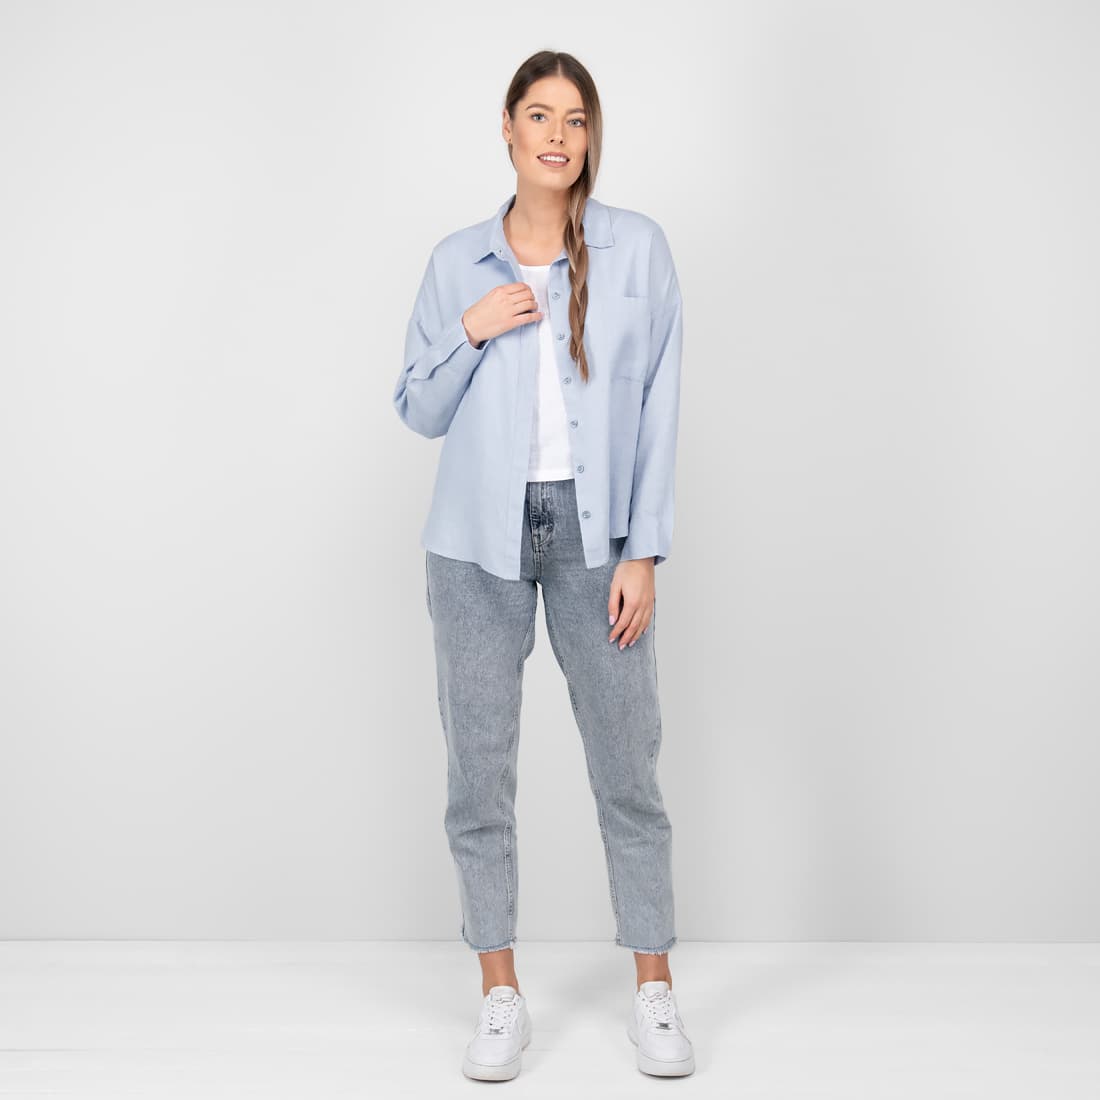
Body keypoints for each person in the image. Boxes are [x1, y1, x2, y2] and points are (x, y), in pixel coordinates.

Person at [393, 49, 693, 1081]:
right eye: (537, 115)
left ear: (589, 135)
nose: (556, 135)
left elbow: (660, 402)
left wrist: (642, 549)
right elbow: (416, 406)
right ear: (508, 129)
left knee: (627, 765)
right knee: (478, 774)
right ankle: (498, 992)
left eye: (574, 118)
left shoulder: (637, 250)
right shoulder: (456, 263)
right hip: (473, 539)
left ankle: (653, 987)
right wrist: (470, 330)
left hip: (595, 537)